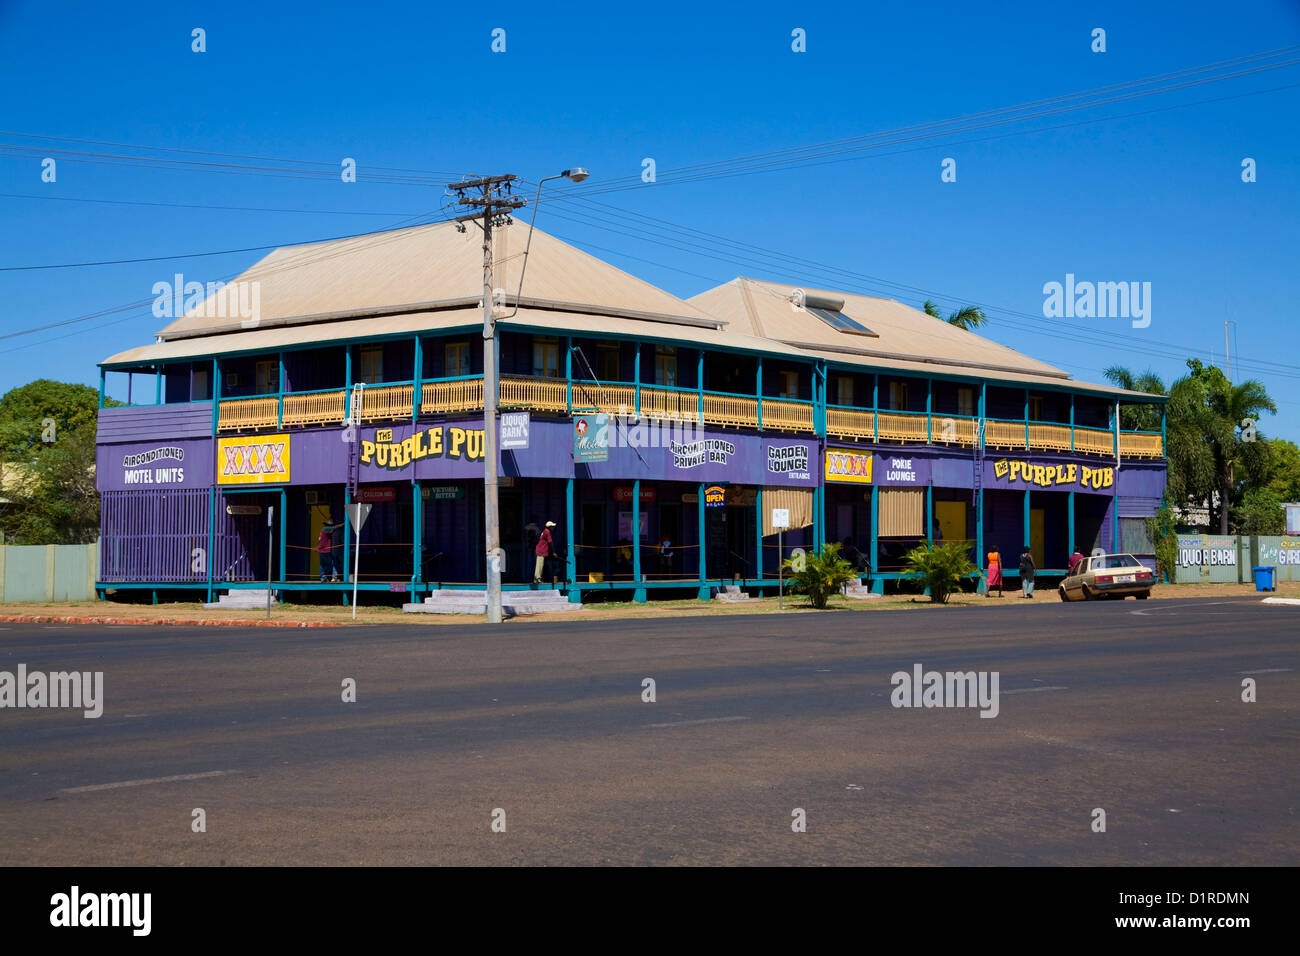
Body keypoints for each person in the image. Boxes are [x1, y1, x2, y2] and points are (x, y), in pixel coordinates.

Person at [317, 516, 341, 583]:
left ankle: (323, 578)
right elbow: (335, 528)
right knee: (333, 564)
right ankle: (334, 577)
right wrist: (344, 524)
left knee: (322, 565)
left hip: (322, 550)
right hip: (325, 550)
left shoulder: (323, 530)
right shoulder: (326, 529)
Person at [534, 520, 556, 584]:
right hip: (541, 551)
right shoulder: (547, 532)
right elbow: (550, 542)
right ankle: (537, 579)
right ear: (549, 527)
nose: (553, 527)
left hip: (541, 550)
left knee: (540, 565)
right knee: (539, 565)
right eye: (552, 526)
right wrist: (553, 552)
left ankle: (537, 579)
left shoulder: (545, 531)